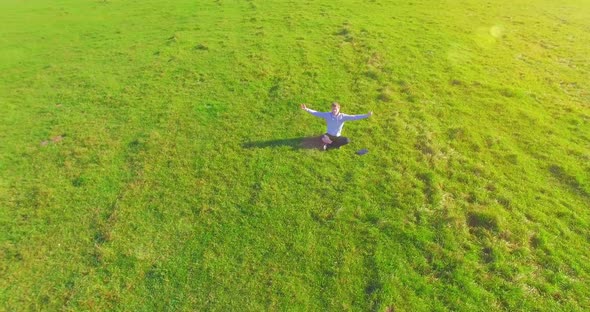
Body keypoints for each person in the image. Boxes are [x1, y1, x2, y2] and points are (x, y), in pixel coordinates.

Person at [300, 102, 373, 150]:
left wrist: (366, 115)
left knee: (347, 140)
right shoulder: (327, 115)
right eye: (332, 109)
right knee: (322, 137)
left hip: (337, 136)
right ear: (331, 109)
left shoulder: (343, 116)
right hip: (328, 135)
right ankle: (331, 144)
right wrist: (306, 109)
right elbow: (317, 113)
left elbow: (354, 117)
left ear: (339, 109)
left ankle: (329, 144)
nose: (334, 110)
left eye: (335, 109)